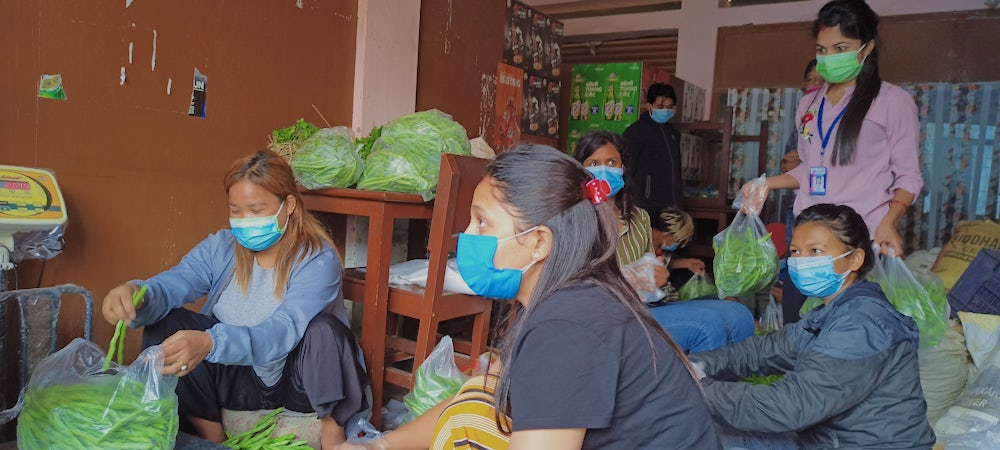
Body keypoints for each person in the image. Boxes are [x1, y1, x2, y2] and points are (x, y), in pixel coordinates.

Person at [340, 145, 721, 449]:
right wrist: (384, 445)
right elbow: (488, 392)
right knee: (481, 389)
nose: (467, 233)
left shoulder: (567, 325)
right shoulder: (569, 296)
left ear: (538, 242)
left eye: (482, 221)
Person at [101, 151, 370, 448]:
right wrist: (136, 294)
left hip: (298, 383)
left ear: (288, 205)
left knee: (326, 331)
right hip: (240, 381)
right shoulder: (221, 247)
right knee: (167, 322)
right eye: (236, 211)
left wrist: (212, 342)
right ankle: (212, 440)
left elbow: (283, 330)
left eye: (256, 210)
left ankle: (332, 439)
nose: (245, 221)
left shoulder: (316, 258)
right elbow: (174, 283)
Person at [690, 203, 935, 448]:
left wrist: (697, 389)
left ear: (855, 259)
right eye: (795, 251)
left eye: (815, 251)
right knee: (702, 428)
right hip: (826, 440)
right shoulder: (831, 313)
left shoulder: (863, 324)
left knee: (701, 433)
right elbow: (764, 351)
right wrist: (692, 365)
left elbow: (790, 406)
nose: (801, 261)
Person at [744, 0, 923, 323]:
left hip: (859, 239)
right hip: (808, 238)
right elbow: (811, 169)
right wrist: (765, 183)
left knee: (851, 333)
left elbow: (909, 176)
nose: (828, 58)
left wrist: (890, 221)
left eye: (841, 47)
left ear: (866, 47)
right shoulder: (809, 104)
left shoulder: (892, 101)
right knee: (798, 325)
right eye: (822, 50)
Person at [574, 131, 752, 354]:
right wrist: (628, 281)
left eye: (612, 162)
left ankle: (729, 386)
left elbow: (647, 275)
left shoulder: (639, 218)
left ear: (623, 167)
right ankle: (702, 388)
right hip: (606, 315)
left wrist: (652, 277)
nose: (604, 169)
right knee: (708, 324)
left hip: (643, 307)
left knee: (737, 313)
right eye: (594, 163)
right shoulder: (573, 220)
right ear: (581, 170)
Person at [623, 82, 683, 219]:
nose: (665, 111)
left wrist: (679, 203)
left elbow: (677, 170)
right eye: (660, 107)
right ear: (649, 106)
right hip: (645, 205)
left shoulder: (673, 133)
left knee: (669, 240)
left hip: (671, 206)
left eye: (669, 107)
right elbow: (627, 168)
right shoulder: (636, 131)